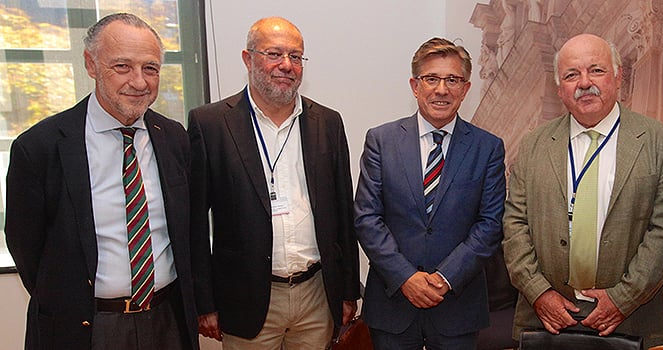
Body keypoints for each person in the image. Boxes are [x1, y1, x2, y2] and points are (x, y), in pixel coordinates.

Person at [4, 13, 199, 349]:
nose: (139, 82)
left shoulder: (173, 138)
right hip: (88, 327)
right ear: (91, 64)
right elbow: (26, 246)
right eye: (122, 66)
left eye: (150, 68)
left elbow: (186, 231)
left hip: (168, 319)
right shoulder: (41, 147)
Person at [188, 17, 360, 349]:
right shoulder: (210, 124)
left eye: (296, 56)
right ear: (247, 58)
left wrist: (348, 291)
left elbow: (343, 213)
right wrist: (204, 301)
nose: (286, 65)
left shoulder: (327, 122)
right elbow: (195, 225)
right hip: (246, 298)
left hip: (316, 295)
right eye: (274, 54)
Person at [502, 33, 663, 348]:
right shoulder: (533, 145)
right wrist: (539, 293)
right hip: (545, 319)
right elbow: (514, 225)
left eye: (596, 70)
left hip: (630, 320)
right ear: (560, 89)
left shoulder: (659, 141)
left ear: (617, 77)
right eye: (572, 75)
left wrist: (622, 299)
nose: (585, 82)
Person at [354, 37, 506, 349]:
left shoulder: (488, 147)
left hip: (457, 304)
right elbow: (367, 217)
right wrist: (406, 277)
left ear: (465, 88)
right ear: (415, 85)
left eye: (452, 79)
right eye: (431, 79)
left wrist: (444, 278)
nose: (441, 89)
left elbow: (490, 224)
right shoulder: (381, 141)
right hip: (393, 302)